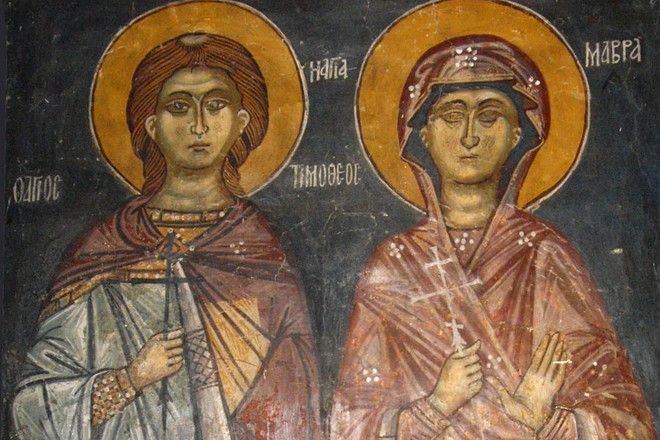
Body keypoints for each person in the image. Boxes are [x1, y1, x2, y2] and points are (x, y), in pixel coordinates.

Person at [331, 36, 654, 439]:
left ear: (517, 134)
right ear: (425, 134)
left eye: (489, 116)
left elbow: (628, 422)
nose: (469, 136)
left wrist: (550, 421)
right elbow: (349, 423)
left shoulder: (546, 255)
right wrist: (434, 408)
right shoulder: (393, 263)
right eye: (452, 115)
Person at [12, 32, 320, 440]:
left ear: (241, 123)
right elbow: (29, 410)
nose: (198, 125)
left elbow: (295, 404)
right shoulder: (104, 249)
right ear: (152, 126)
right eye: (179, 107)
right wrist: (129, 379)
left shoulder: (263, 251)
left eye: (216, 105)